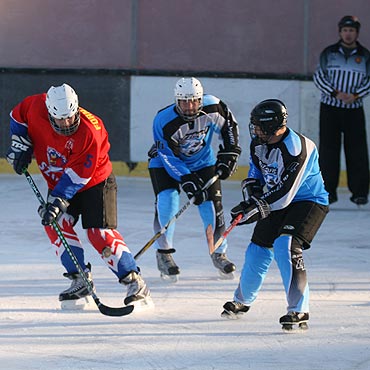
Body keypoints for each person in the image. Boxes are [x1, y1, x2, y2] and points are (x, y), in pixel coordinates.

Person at [6, 83, 151, 310]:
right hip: (59, 182)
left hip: (95, 182)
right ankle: (80, 279)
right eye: (59, 119)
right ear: (49, 111)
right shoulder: (35, 106)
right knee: (55, 224)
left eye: (70, 117)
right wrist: (19, 144)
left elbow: (79, 175)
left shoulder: (91, 130)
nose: (65, 124)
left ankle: (134, 281)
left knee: (98, 233)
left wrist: (56, 201)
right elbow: (17, 117)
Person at [221, 99, 329, 331]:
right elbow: (255, 172)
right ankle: (242, 300)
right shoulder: (258, 143)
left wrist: (254, 209)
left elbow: (286, 194)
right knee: (257, 248)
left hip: (308, 202)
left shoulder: (298, 148)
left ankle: (298, 308)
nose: (255, 130)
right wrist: (251, 195)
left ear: (272, 126)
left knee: (286, 244)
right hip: (274, 201)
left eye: (259, 126)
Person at [148, 77, 241, 281]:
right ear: (176, 101)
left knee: (211, 206)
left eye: (194, 101)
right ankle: (164, 254)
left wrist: (230, 153)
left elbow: (230, 129)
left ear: (200, 99)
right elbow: (167, 156)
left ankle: (219, 252)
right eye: (184, 102)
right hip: (164, 163)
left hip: (202, 162)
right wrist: (187, 180)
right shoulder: (163, 120)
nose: (189, 107)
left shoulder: (214, 107)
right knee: (168, 200)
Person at [313, 15, 370, 205]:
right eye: (345, 30)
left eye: (351, 30)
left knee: (357, 151)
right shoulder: (329, 53)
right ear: (340, 32)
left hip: (354, 109)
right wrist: (334, 93)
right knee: (329, 150)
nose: (348, 34)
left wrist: (355, 95)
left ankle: (360, 192)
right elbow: (319, 76)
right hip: (330, 108)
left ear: (356, 33)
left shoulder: (365, 55)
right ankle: (328, 192)